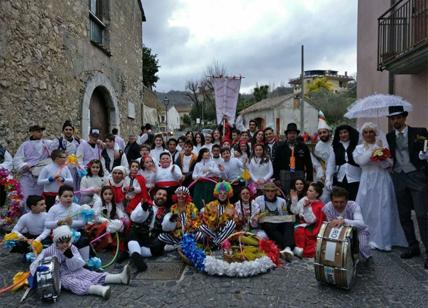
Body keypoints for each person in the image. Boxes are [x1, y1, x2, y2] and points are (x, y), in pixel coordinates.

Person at [30, 225, 131, 299]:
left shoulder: (72, 248)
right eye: (61, 242)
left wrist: (70, 256)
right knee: (72, 283)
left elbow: (79, 263)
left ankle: (119, 278)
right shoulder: (49, 250)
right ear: (56, 241)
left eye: (67, 241)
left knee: (91, 274)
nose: (65, 244)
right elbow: (37, 262)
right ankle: (98, 290)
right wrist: (37, 271)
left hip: (75, 269)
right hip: (61, 275)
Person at [354, 122, 407, 251]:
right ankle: (366, 237)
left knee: (383, 208)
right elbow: (360, 161)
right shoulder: (359, 148)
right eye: (365, 132)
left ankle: (383, 239)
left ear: (375, 133)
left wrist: (382, 157)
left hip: (382, 179)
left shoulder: (382, 147)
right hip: (367, 180)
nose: (368, 134)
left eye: (371, 132)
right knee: (367, 208)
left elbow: (389, 165)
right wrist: (373, 151)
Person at [386, 106, 428, 268]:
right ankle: (413, 245)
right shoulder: (389, 137)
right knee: (404, 215)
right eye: (392, 118)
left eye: (398, 118)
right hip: (398, 177)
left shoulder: (420, 132)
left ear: (404, 118)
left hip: (416, 177)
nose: (395, 121)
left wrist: (425, 157)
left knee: (422, 214)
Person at [323, 187, 371, 260]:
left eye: (342, 202)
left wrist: (344, 221)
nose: (339, 205)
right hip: (339, 230)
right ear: (331, 201)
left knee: (363, 248)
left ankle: (366, 261)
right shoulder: (327, 207)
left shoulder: (354, 205)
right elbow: (328, 225)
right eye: (336, 202)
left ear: (347, 201)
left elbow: (361, 224)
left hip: (358, 229)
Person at [45, 185, 92, 261]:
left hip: (76, 233)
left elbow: (83, 223)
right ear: (59, 197)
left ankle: (85, 261)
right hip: (59, 233)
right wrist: (57, 223)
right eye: (65, 196)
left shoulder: (77, 207)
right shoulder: (54, 209)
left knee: (84, 240)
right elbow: (47, 224)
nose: (68, 198)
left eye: (71, 196)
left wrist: (72, 223)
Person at [127, 188, 169, 272]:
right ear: (154, 196)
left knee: (159, 247)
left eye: (164, 195)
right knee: (132, 234)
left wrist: (171, 220)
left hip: (152, 237)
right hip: (140, 232)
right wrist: (143, 209)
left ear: (166, 199)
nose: (161, 196)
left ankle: (132, 252)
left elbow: (166, 227)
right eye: (159, 194)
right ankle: (138, 261)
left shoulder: (167, 211)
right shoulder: (145, 204)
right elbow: (134, 218)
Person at [252, 182, 295, 261]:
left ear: (276, 192)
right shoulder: (258, 200)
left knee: (289, 223)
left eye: (272, 191)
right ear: (264, 192)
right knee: (268, 225)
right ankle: (286, 247)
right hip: (266, 225)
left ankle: (287, 248)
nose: (270, 193)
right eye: (268, 191)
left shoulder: (282, 201)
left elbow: (284, 216)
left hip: (279, 224)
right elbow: (256, 214)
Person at [14, 125, 52, 205]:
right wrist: (26, 165)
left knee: (40, 200)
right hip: (28, 177)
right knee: (25, 199)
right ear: (32, 132)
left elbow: (57, 146)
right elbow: (17, 159)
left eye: (41, 131)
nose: (41, 133)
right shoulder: (25, 145)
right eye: (38, 131)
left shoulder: (47, 143)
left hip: (41, 177)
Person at [273, 123, 313, 194]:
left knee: (299, 193)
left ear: (297, 134)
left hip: (299, 173)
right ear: (287, 135)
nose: (292, 135)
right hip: (284, 173)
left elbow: (308, 163)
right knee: (285, 193)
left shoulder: (303, 146)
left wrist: (309, 178)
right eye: (290, 133)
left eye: (294, 133)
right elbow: (276, 163)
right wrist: (276, 178)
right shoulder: (280, 147)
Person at [290, 182, 325, 258]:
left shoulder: (319, 205)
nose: (307, 192)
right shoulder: (304, 199)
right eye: (308, 190)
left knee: (301, 232)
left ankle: (301, 250)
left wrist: (306, 208)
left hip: (312, 227)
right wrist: (294, 200)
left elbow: (311, 221)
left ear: (317, 194)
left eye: (310, 191)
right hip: (301, 223)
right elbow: (295, 211)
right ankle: (297, 248)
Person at [326, 124, 361, 201]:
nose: (343, 135)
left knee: (354, 201)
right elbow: (331, 164)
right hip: (341, 179)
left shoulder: (357, 145)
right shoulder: (335, 147)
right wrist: (328, 179)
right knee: (341, 201)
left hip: (356, 178)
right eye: (340, 133)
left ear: (349, 133)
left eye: (345, 132)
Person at [89, 186, 128, 251]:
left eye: (110, 194)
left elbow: (118, 211)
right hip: (96, 224)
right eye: (105, 194)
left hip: (108, 223)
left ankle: (108, 235)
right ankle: (104, 237)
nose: (108, 196)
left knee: (120, 223)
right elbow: (95, 217)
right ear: (102, 195)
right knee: (111, 224)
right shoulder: (99, 202)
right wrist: (106, 220)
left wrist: (122, 217)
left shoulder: (112, 204)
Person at [198, 181, 236, 247]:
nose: (222, 195)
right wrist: (212, 221)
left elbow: (232, 223)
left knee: (232, 223)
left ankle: (216, 243)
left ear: (228, 195)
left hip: (224, 232)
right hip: (212, 231)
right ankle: (219, 242)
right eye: (220, 193)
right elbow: (205, 219)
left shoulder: (231, 207)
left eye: (225, 193)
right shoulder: (211, 205)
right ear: (217, 194)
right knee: (201, 227)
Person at [49, 121, 81, 190]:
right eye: (66, 129)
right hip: (61, 169)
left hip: (74, 169)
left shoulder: (77, 142)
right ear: (63, 131)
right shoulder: (58, 141)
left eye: (70, 130)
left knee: (73, 187)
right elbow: (51, 154)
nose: (68, 131)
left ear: (73, 131)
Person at [313, 118, 333, 203]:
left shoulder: (336, 142)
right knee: (325, 198)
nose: (322, 135)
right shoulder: (318, 146)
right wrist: (321, 174)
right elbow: (318, 163)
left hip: (337, 174)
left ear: (329, 132)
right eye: (320, 133)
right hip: (325, 175)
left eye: (324, 132)